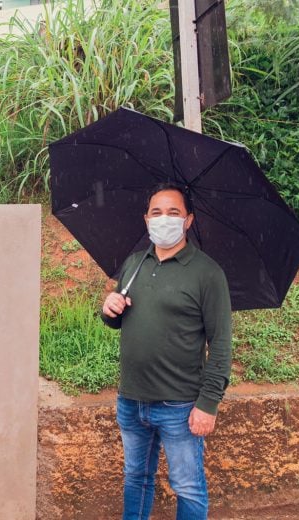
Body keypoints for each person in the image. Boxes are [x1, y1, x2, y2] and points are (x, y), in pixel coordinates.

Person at [100, 182, 232, 520]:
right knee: (136, 479)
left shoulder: (207, 273)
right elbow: (118, 319)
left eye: (173, 212)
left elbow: (220, 344)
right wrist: (109, 308)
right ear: (146, 219)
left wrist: (208, 404)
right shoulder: (134, 263)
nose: (164, 219)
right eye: (157, 212)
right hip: (131, 400)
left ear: (188, 220)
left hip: (180, 405)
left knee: (187, 485)